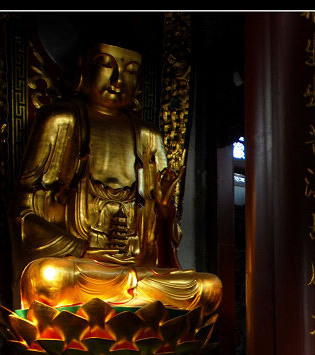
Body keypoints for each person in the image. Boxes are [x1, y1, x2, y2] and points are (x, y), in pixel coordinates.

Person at [11, 36, 221, 317]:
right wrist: (82, 249)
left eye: (132, 70)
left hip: (136, 269)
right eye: (106, 65)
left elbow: (166, 241)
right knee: (48, 276)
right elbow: (23, 213)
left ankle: (130, 303)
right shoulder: (61, 120)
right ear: (82, 66)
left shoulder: (149, 136)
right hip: (82, 268)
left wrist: (164, 212)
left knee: (207, 287)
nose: (118, 79)